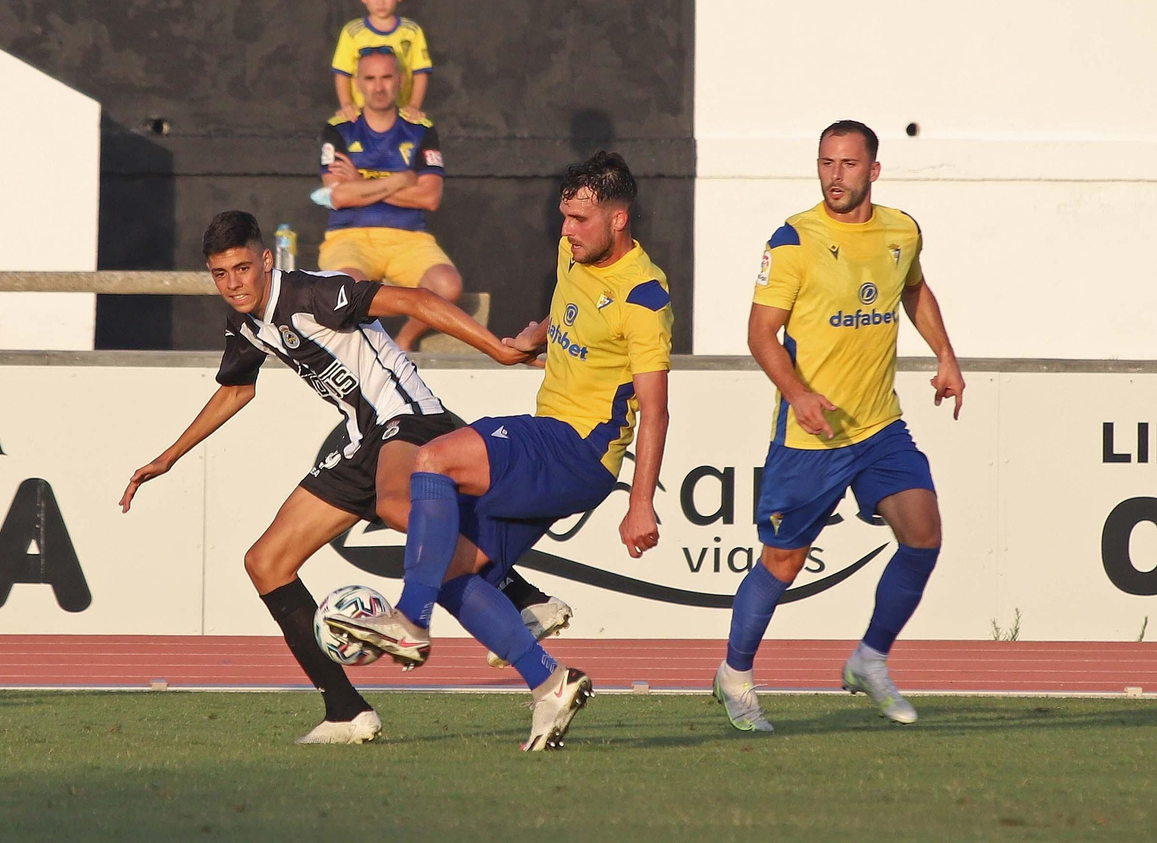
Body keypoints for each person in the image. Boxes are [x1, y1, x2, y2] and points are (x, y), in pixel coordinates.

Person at [120, 210, 567, 745]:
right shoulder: (247, 324)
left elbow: (416, 301)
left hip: (410, 420)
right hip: (364, 440)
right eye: (221, 274)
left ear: (266, 260)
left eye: (242, 268)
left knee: (398, 503)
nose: (234, 283)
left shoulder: (315, 293)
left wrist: (498, 349)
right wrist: (169, 457)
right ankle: (345, 710)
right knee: (266, 563)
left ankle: (519, 594)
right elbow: (237, 389)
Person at [327, 152, 674, 751]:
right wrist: (534, 334)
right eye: (563, 215)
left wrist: (640, 503)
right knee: (458, 566)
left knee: (433, 457)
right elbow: (567, 307)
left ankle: (409, 621)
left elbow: (657, 408)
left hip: (576, 449)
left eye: (580, 219)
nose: (566, 229)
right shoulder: (574, 253)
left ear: (619, 220)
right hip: (554, 442)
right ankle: (550, 682)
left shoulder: (643, 296)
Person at [712, 120, 965, 733]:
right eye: (826, 163)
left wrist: (946, 357)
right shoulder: (794, 238)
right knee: (782, 562)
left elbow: (915, 290)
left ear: (873, 171)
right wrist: (796, 394)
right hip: (812, 436)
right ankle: (735, 675)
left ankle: (869, 659)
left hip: (879, 426)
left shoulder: (901, 230)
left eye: (848, 164)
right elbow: (758, 333)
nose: (835, 175)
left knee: (924, 533)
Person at [319, 47, 459, 351]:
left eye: (386, 77)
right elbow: (337, 195)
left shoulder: (420, 129)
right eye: (370, 78)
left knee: (448, 286)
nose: (378, 87)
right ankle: (369, 353)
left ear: (400, 80)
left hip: (408, 239)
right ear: (357, 82)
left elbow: (430, 197)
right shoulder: (339, 128)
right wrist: (399, 180)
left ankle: (404, 342)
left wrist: (361, 182)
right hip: (349, 237)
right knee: (345, 290)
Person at [332, 0, 431, 121]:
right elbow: (342, 72)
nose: (380, 2)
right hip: (361, 117)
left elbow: (420, 72)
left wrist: (414, 106)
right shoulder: (352, 32)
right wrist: (347, 104)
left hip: (399, 116)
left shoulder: (412, 32)